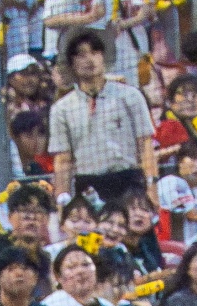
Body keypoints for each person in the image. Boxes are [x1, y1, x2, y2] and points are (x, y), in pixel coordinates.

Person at [47, 28, 157, 211]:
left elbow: (145, 145)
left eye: (95, 52)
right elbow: (63, 161)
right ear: (71, 63)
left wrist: (152, 188)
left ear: (104, 57)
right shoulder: (61, 109)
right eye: (81, 55)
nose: (90, 59)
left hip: (129, 182)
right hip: (88, 187)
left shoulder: (130, 96)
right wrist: (62, 202)